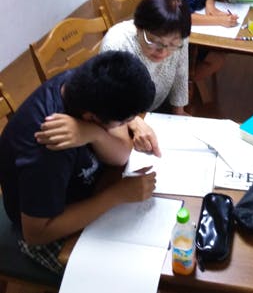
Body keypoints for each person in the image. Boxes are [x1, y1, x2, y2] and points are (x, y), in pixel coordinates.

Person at [0, 51, 157, 273]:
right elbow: (35, 234)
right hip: (47, 229)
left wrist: (96, 134)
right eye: (126, 121)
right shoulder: (48, 146)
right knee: (126, 273)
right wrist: (116, 195)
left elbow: (121, 154)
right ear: (91, 117)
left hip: (87, 189)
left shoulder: (83, 83)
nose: (131, 125)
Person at [100, 0, 191, 118]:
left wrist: (179, 113)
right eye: (154, 41)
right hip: (120, 115)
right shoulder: (117, 45)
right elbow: (110, 102)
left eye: (172, 44)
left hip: (157, 107)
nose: (163, 51)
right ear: (138, 28)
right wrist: (137, 122)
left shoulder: (179, 38)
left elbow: (181, 74)